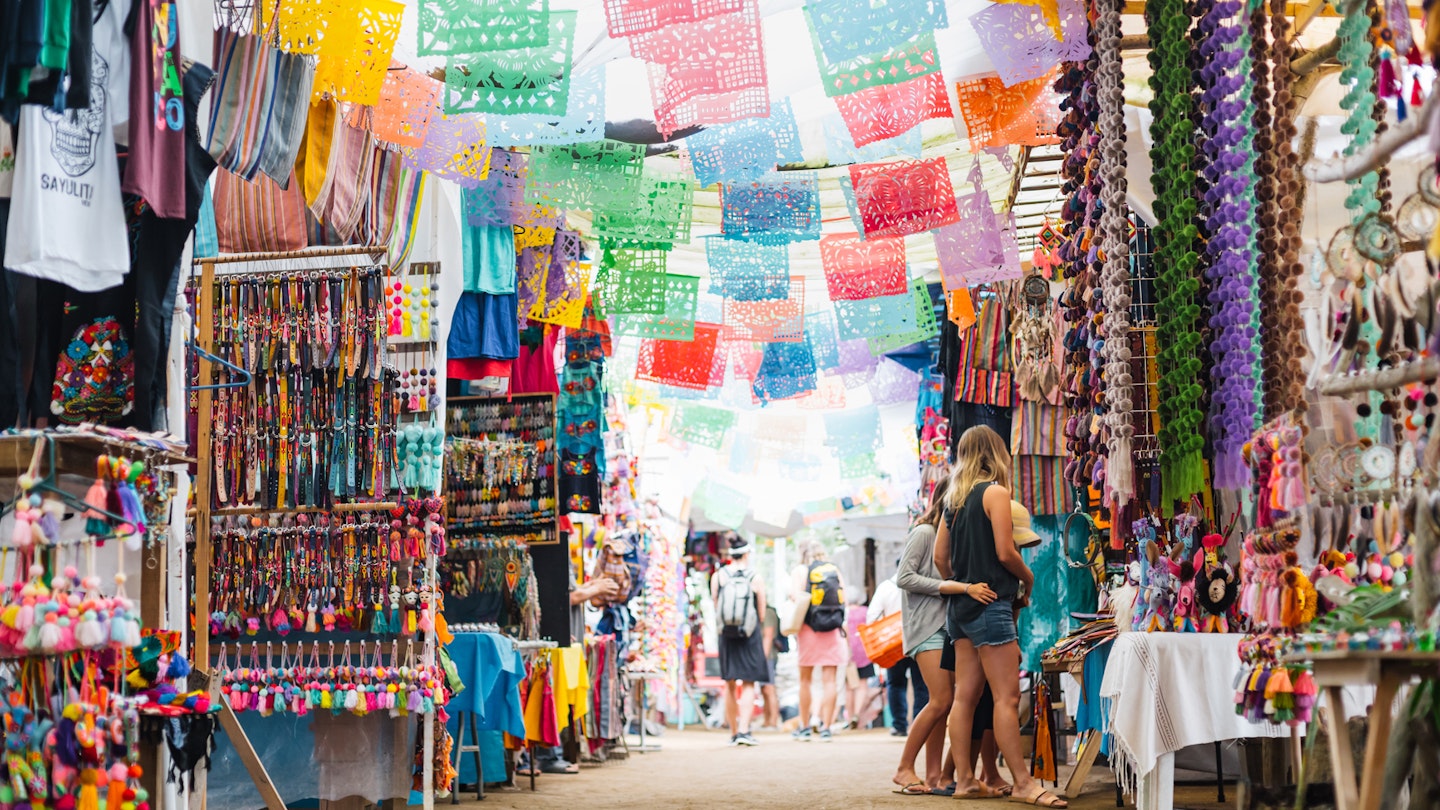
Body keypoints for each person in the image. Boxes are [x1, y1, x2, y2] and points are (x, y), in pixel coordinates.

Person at [935, 426, 1067, 808]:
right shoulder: (995, 493)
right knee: (1006, 698)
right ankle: (1024, 783)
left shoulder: (953, 501)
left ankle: (964, 780)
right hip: (992, 605)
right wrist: (1029, 578)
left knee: (966, 697)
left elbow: (940, 560)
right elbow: (1007, 553)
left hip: (960, 609)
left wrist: (961, 582)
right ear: (996, 452)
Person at [890, 476, 1006, 795]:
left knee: (949, 703)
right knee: (941, 700)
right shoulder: (925, 532)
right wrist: (951, 587)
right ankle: (903, 768)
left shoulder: (957, 538)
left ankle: (934, 776)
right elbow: (904, 577)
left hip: (949, 628)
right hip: (925, 627)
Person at [711, 536, 768, 747]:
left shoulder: (718, 576)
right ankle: (744, 730)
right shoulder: (756, 577)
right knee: (749, 683)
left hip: (726, 633)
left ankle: (733, 731)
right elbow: (761, 612)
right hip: (749, 634)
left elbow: (716, 604)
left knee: (729, 683)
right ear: (746, 554)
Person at [790, 539, 847, 741]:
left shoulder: (800, 571)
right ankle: (826, 727)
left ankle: (804, 727)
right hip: (832, 630)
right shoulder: (833, 570)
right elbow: (844, 599)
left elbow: (795, 598)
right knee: (829, 680)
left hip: (808, 631)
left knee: (805, 680)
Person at [867, 565, 928, 737]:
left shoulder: (885, 587)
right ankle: (919, 726)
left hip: (893, 644)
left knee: (895, 684)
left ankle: (899, 726)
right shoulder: (921, 585)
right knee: (921, 685)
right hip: (918, 638)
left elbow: (872, 616)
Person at [759, 604, 782, 729]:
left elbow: (768, 636)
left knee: (769, 688)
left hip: (768, 656)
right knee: (764, 689)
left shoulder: (768, 612)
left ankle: (773, 720)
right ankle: (767, 719)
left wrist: (763, 659)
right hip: (762, 656)